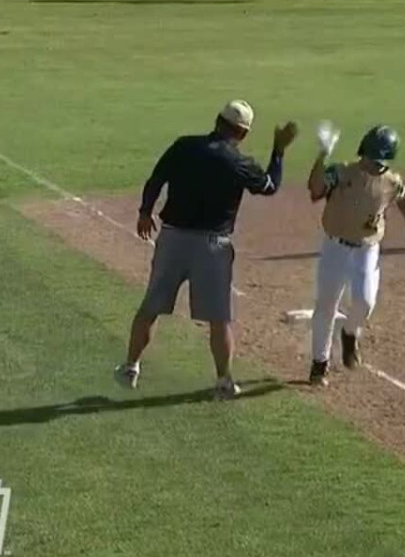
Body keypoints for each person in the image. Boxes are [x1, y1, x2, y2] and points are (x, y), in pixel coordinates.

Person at [117, 100, 298, 399]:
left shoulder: (184, 146)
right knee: (219, 318)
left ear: (217, 121)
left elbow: (156, 179)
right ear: (243, 133)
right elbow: (269, 186)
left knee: (150, 307)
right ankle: (224, 380)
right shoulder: (239, 162)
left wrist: (145, 212)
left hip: (173, 239)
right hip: (213, 247)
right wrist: (278, 152)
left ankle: (131, 367)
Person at [305, 123, 405, 387]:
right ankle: (319, 363)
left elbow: (403, 196)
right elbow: (315, 190)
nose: (376, 166)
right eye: (373, 160)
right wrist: (322, 155)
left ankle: (349, 334)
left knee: (364, 302)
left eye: (381, 162)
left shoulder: (391, 181)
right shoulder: (341, 172)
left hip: (367, 249)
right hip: (335, 247)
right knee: (326, 306)